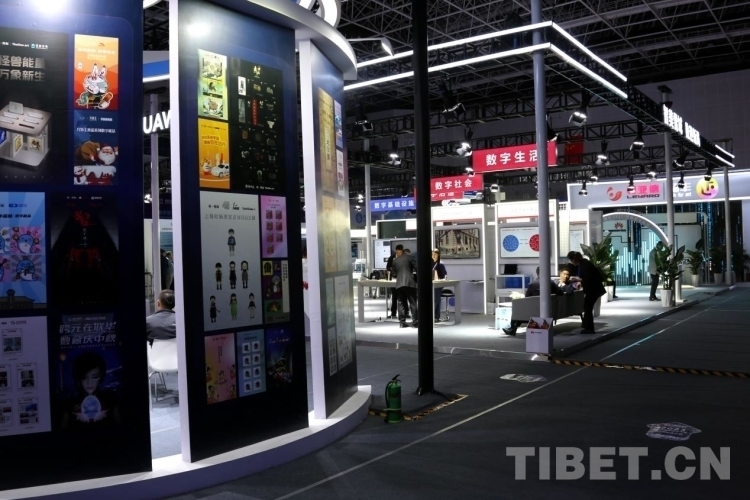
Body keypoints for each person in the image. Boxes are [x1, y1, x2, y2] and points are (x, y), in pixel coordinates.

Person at [502, 267, 567, 336]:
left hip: (533, 311)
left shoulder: (532, 284)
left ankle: (512, 328)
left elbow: (526, 298)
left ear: (537, 273)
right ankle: (512, 328)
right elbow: (560, 293)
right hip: (548, 310)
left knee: (518, 308)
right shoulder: (551, 283)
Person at [567, 251, 606, 334]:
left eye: (571, 260)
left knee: (587, 307)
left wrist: (578, 279)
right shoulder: (584, 263)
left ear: (574, 259)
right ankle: (588, 327)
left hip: (593, 289)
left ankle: (589, 328)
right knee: (587, 307)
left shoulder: (585, 265)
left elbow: (588, 278)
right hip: (593, 289)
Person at [391, 244, 418, 328]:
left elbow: (394, 274)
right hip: (410, 283)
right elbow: (417, 268)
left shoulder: (395, 261)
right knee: (413, 302)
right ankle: (415, 322)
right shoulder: (410, 257)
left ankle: (402, 322)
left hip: (399, 284)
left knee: (401, 303)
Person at [432, 249, 448, 322]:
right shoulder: (430, 263)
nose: (434, 256)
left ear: (438, 255)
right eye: (433, 254)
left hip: (438, 285)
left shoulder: (440, 264)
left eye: (435, 254)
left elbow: (445, 275)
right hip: (431, 284)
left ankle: (436, 317)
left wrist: (441, 279)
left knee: (436, 301)